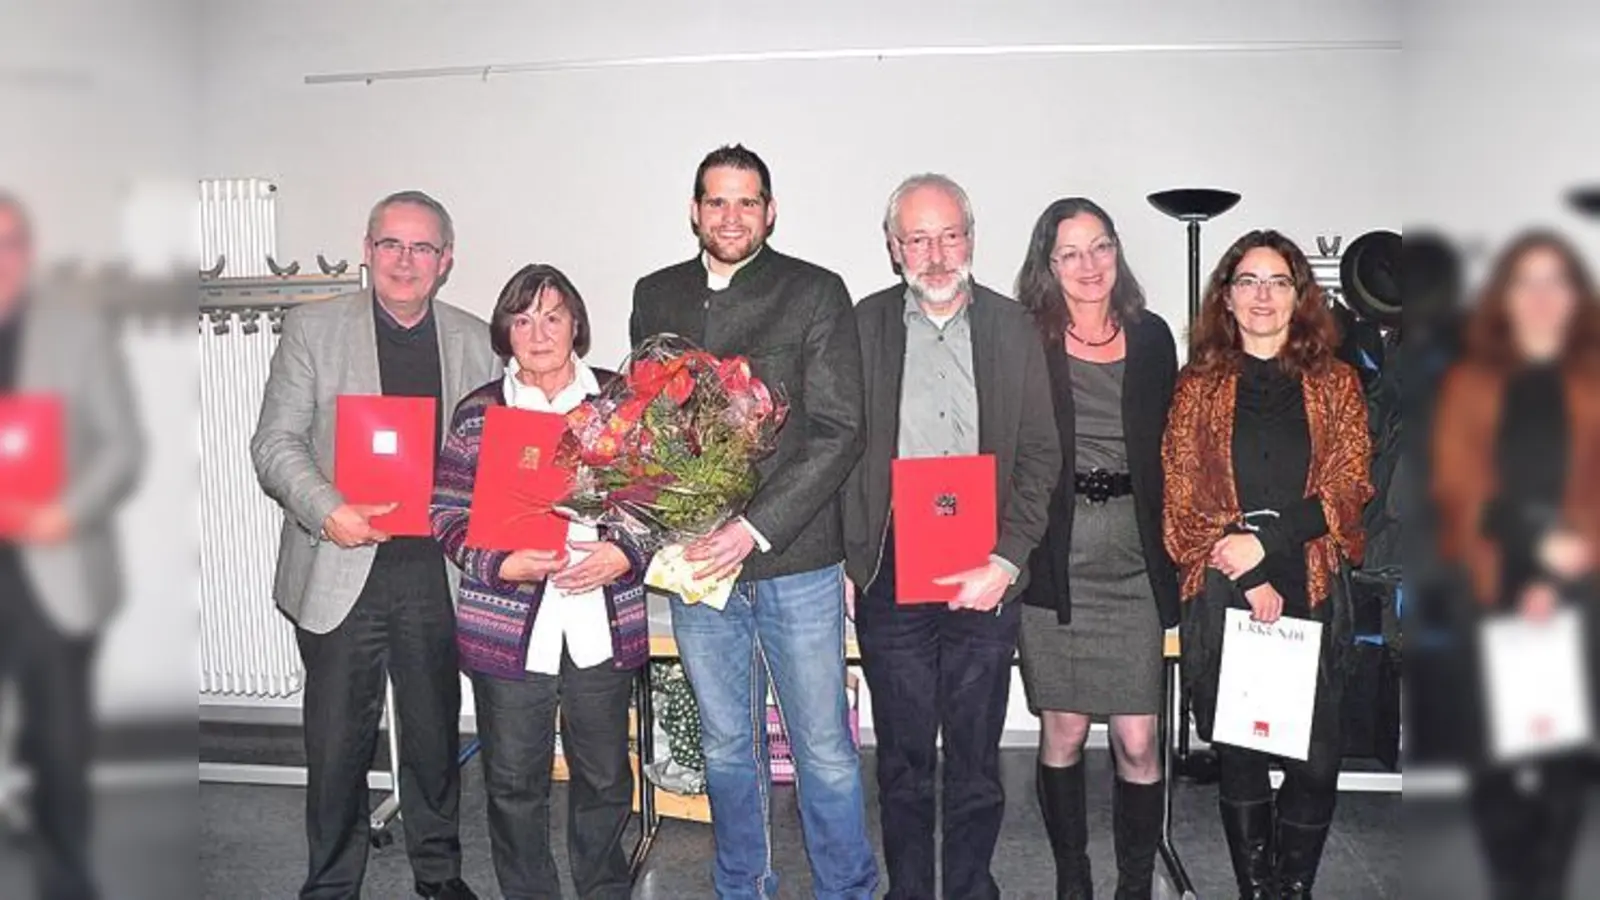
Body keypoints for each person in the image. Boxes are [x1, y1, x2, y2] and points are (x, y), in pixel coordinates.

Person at [629, 144, 875, 899]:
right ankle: (743, 886)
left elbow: (840, 430)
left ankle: (846, 890)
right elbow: (645, 426)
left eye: (747, 201)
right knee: (727, 746)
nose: (730, 216)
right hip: (698, 562)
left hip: (794, 558)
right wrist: (671, 516)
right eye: (716, 201)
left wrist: (752, 528)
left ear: (770, 210)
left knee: (824, 749)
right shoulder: (655, 294)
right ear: (695, 210)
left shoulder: (814, 291)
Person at [251, 190, 497, 899]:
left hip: (433, 575)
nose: (405, 260)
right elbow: (275, 443)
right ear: (367, 248)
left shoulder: (473, 339)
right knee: (335, 749)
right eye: (391, 244)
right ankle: (329, 885)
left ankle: (439, 873)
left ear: (445, 261)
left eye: (423, 248)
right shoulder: (313, 330)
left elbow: (490, 455)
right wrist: (329, 511)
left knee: (432, 741)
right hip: (341, 565)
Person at [841, 174, 1059, 899]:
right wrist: (853, 553)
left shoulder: (1013, 327)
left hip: (986, 565)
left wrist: (1009, 558)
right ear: (893, 246)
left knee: (974, 755)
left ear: (971, 238)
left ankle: (970, 889)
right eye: (918, 238)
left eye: (949, 236)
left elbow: (1040, 456)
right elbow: (838, 449)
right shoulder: (863, 326)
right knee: (902, 757)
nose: (935, 255)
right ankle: (908, 890)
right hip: (893, 565)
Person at [1161, 230, 1372, 899]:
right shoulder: (1197, 386)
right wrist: (1248, 573)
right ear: (1226, 296)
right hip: (1228, 585)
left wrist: (1271, 544)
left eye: (1277, 281)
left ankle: (1292, 887)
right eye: (1247, 281)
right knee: (1242, 749)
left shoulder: (1335, 382)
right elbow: (1181, 494)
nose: (1262, 296)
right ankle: (1258, 889)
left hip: (1307, 579)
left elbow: (1351, 483)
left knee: (1317, 756)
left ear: (1299, 295)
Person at [431, 264, 647, 900]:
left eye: (552, 316)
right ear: (506, 331)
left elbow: (659, 504)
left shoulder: (618, 404)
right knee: (513, 782)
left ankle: (605, 888)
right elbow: (444, 512)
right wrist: (500, 564)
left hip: (598, 620)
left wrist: (623, 552)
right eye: (523, 319)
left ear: (575, 324)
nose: (539, 331)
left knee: (605, 777)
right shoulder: (479, 412)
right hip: (508, 625)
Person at [1013, 198, 1180, 900]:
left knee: (1140, 740)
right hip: (1056, 560)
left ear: (1118, 251)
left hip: (1135, 562)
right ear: (1047, 266)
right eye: (1071, 253)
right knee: (1064, 731)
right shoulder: (1026, 339)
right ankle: (1073, 879)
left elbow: (1174, 450)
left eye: (1101, 246)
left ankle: (1135, 885)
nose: (1089, 266)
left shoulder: (1152, 337)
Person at [1431, 232, 1600, 900]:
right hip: (1492, 585)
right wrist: (1532, 546)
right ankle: (1512, 883)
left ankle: (1550, 884)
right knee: (1495, 763)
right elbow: (1456, 488)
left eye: (1555, 281)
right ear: (1503, 294)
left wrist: (1566, 561)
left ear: (1575, 296)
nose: (1540, 296)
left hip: (1580, 593)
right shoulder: (1472, 381)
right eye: (1525, 281)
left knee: (1565, 763)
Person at [0, 193, 144, 900]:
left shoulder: (74, 331)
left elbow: (120, 447)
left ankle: (63, 878)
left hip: (52, 569)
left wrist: (66, 511)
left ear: (29, 252)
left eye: (10, 243)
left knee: (59, 749)